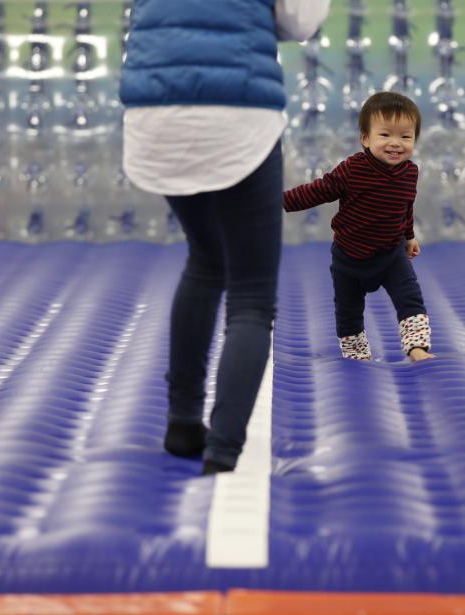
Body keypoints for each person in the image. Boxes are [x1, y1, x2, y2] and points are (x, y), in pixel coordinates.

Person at [119, 0, 329, 475]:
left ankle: (183, 421)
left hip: (154, 113)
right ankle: (224, 449)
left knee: (207, 258)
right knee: (252, 296)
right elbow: (301, 21)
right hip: (237, 114)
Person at [283, 92, 433, 362]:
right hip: (349, 257)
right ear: (366, 138)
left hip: (390, 254)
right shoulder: (353, 169)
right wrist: (279, 203)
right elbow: (319, 191)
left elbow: (405, 207)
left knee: (410, 297)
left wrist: (409, 237)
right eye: (385, 135)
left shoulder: (410, 172)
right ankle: (356, 354)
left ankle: (417, 348)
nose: (395, 144)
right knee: (348, 311)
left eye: (405, 137)